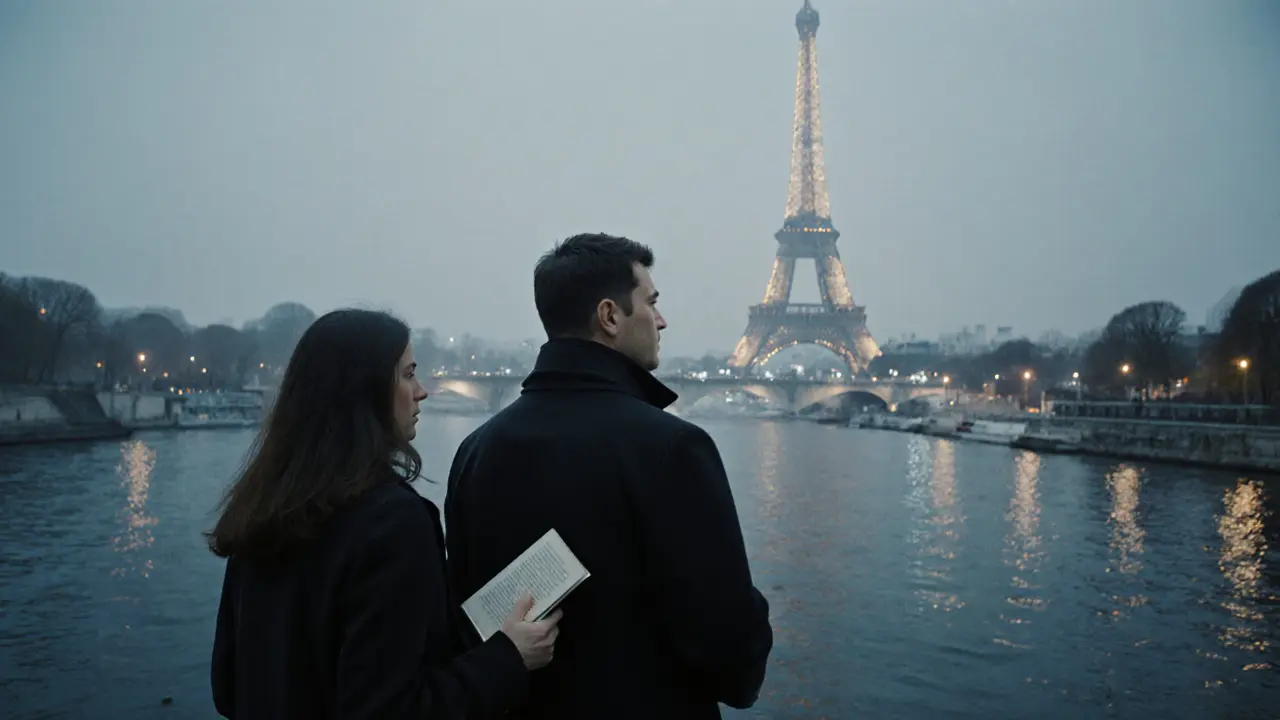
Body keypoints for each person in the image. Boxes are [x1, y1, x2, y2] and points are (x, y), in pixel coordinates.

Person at [444, 233, 773, 719]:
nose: (662, 320)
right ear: (610, 316)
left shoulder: (474, 452)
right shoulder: (672, 449)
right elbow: (734, 661)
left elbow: (467, 629)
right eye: (652, 302)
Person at [208, 308, 561, 719]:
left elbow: (228, 688)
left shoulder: (262, 509)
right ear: (366, 391)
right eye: (409, 374)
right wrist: (509, 658)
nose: (422, 391)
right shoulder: (392, 524)